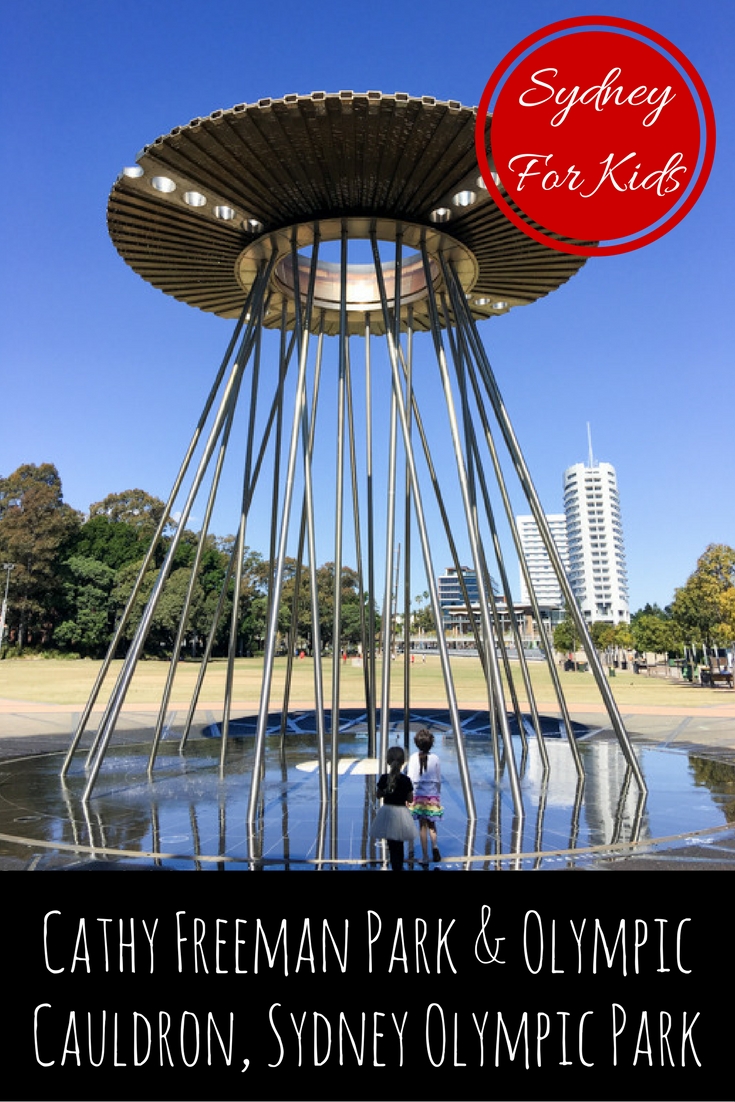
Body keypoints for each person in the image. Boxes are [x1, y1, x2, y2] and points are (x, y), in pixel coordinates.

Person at [370, 746, 417, 871]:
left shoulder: (384, 778)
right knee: (399, 843)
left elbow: (378, 794)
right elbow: (410, 799)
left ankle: (395, 864)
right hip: (401, 813)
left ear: (388, 761)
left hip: (388, 812)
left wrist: (386, 792)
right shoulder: (406, 780)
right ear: (403, 762)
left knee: (391, 843)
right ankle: (398, 866)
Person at [408, 729, 443, 867]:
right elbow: (439, 779)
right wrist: (437, 794)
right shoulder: (436, 758)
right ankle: (435, 846)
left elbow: (410, 778)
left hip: (418, 796)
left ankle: (425, 856)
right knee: (432, 825)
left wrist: (408, 797)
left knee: (422, 826)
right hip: (432, 795)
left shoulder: (413, 757)